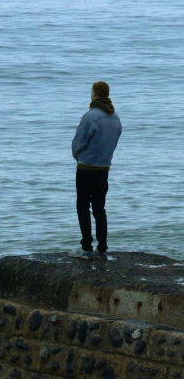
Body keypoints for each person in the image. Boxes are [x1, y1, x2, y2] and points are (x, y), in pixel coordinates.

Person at [69, 81, 122, 260]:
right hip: (103, 169)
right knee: (99, 208)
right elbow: (114, 141)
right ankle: (102, 248)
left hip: (86, 168)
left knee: (83, 207)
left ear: (94, 94)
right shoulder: (115, 117)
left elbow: (78, 143)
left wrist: (78, 157)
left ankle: (86, 248)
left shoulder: (90, 116)